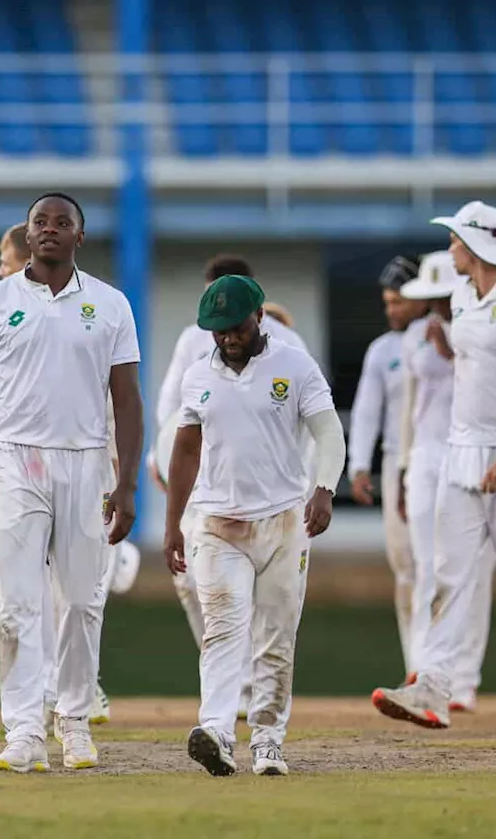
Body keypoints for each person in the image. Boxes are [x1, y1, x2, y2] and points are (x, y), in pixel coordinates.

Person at [0, 193, 143, 772]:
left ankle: (76, 722)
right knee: (16, 604)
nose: (50, 230)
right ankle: (23, 732)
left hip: (87, 461)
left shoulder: (111, 305)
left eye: (63, 223)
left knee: (83, 602)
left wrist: (129, 483)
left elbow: (128, 399)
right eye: (41, 222)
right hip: (15, 461)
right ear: (29, 233)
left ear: (79, 237)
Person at [373, 201, 496, 735]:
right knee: (448, 576)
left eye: (455, 240)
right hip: (459, 453)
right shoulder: (459, 296)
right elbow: (477, 368)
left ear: (476, 246)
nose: (449, 248)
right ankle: (432, 685)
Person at [163, 274, 345, 777]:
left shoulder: (294, 364)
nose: (227, 338)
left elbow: (328, 432)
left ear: (259, 317)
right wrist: (173, 523)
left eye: (236, 327)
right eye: (218, 330)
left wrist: (324, 488)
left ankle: (267, 740)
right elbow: (185, 449)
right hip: (217, 524)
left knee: (276, 636)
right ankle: (217, 731)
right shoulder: (198, 375)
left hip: (284, 523)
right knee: (222, 629)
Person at [150, 255, 312, 714]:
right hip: (206, 483)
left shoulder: (289, 344)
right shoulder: (192, 341)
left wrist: (312, 483)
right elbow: (172, 407)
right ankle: (232, 680)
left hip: (272, 490)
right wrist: (160, 461)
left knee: (266, 594)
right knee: (193, 582)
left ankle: (258, 689)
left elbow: (312, 416)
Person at [395, 253, 495, 712]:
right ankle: (423, 668)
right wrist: (400, 468)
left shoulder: (481, 330)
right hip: (426, 457)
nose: (436, 309)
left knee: (470, 568)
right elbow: (410, 407)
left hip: (471, 452)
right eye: (431, 301)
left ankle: (465, 678)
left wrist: (451, 353)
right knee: (424, 567)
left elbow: (492, 389)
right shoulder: (413, 337)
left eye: (441, 299)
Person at [346, 255, 426, 679]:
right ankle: (416, 663)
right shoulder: (383, 351)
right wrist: (360, 465)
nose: (391, 310)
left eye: (398, 301)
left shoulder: (445, 338)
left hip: (444, 460)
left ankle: (448, 667)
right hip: (398, 462)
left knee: (445, 564)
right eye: (387, 303)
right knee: (405, 564)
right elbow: (366, 411)